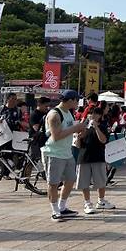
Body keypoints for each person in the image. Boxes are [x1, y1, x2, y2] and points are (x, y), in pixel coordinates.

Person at [40, 90, 86, 221]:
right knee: (53, 183)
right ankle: (55, 210)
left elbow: (69, 129)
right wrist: (75, 129)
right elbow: (56, 136)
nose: (78, 103)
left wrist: (79, 131)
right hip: (53, 153)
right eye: (77, 100)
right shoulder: (54, 114)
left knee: (71, 180)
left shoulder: (68, 113)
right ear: (70, 100)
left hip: (67, 152)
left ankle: (62, 207)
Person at [76, 107, 115, 214]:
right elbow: (78, 145)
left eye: (94, 114)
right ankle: (87, 203)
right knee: (84, 182)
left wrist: (96, 128)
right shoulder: (82, 126)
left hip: (98, 157)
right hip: (84, 157)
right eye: (90, 114)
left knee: (101, 181)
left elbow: (103, 140)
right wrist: (79, 137)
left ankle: (101, 201)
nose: (92, 116)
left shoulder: (103, 126)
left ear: (99, 115)